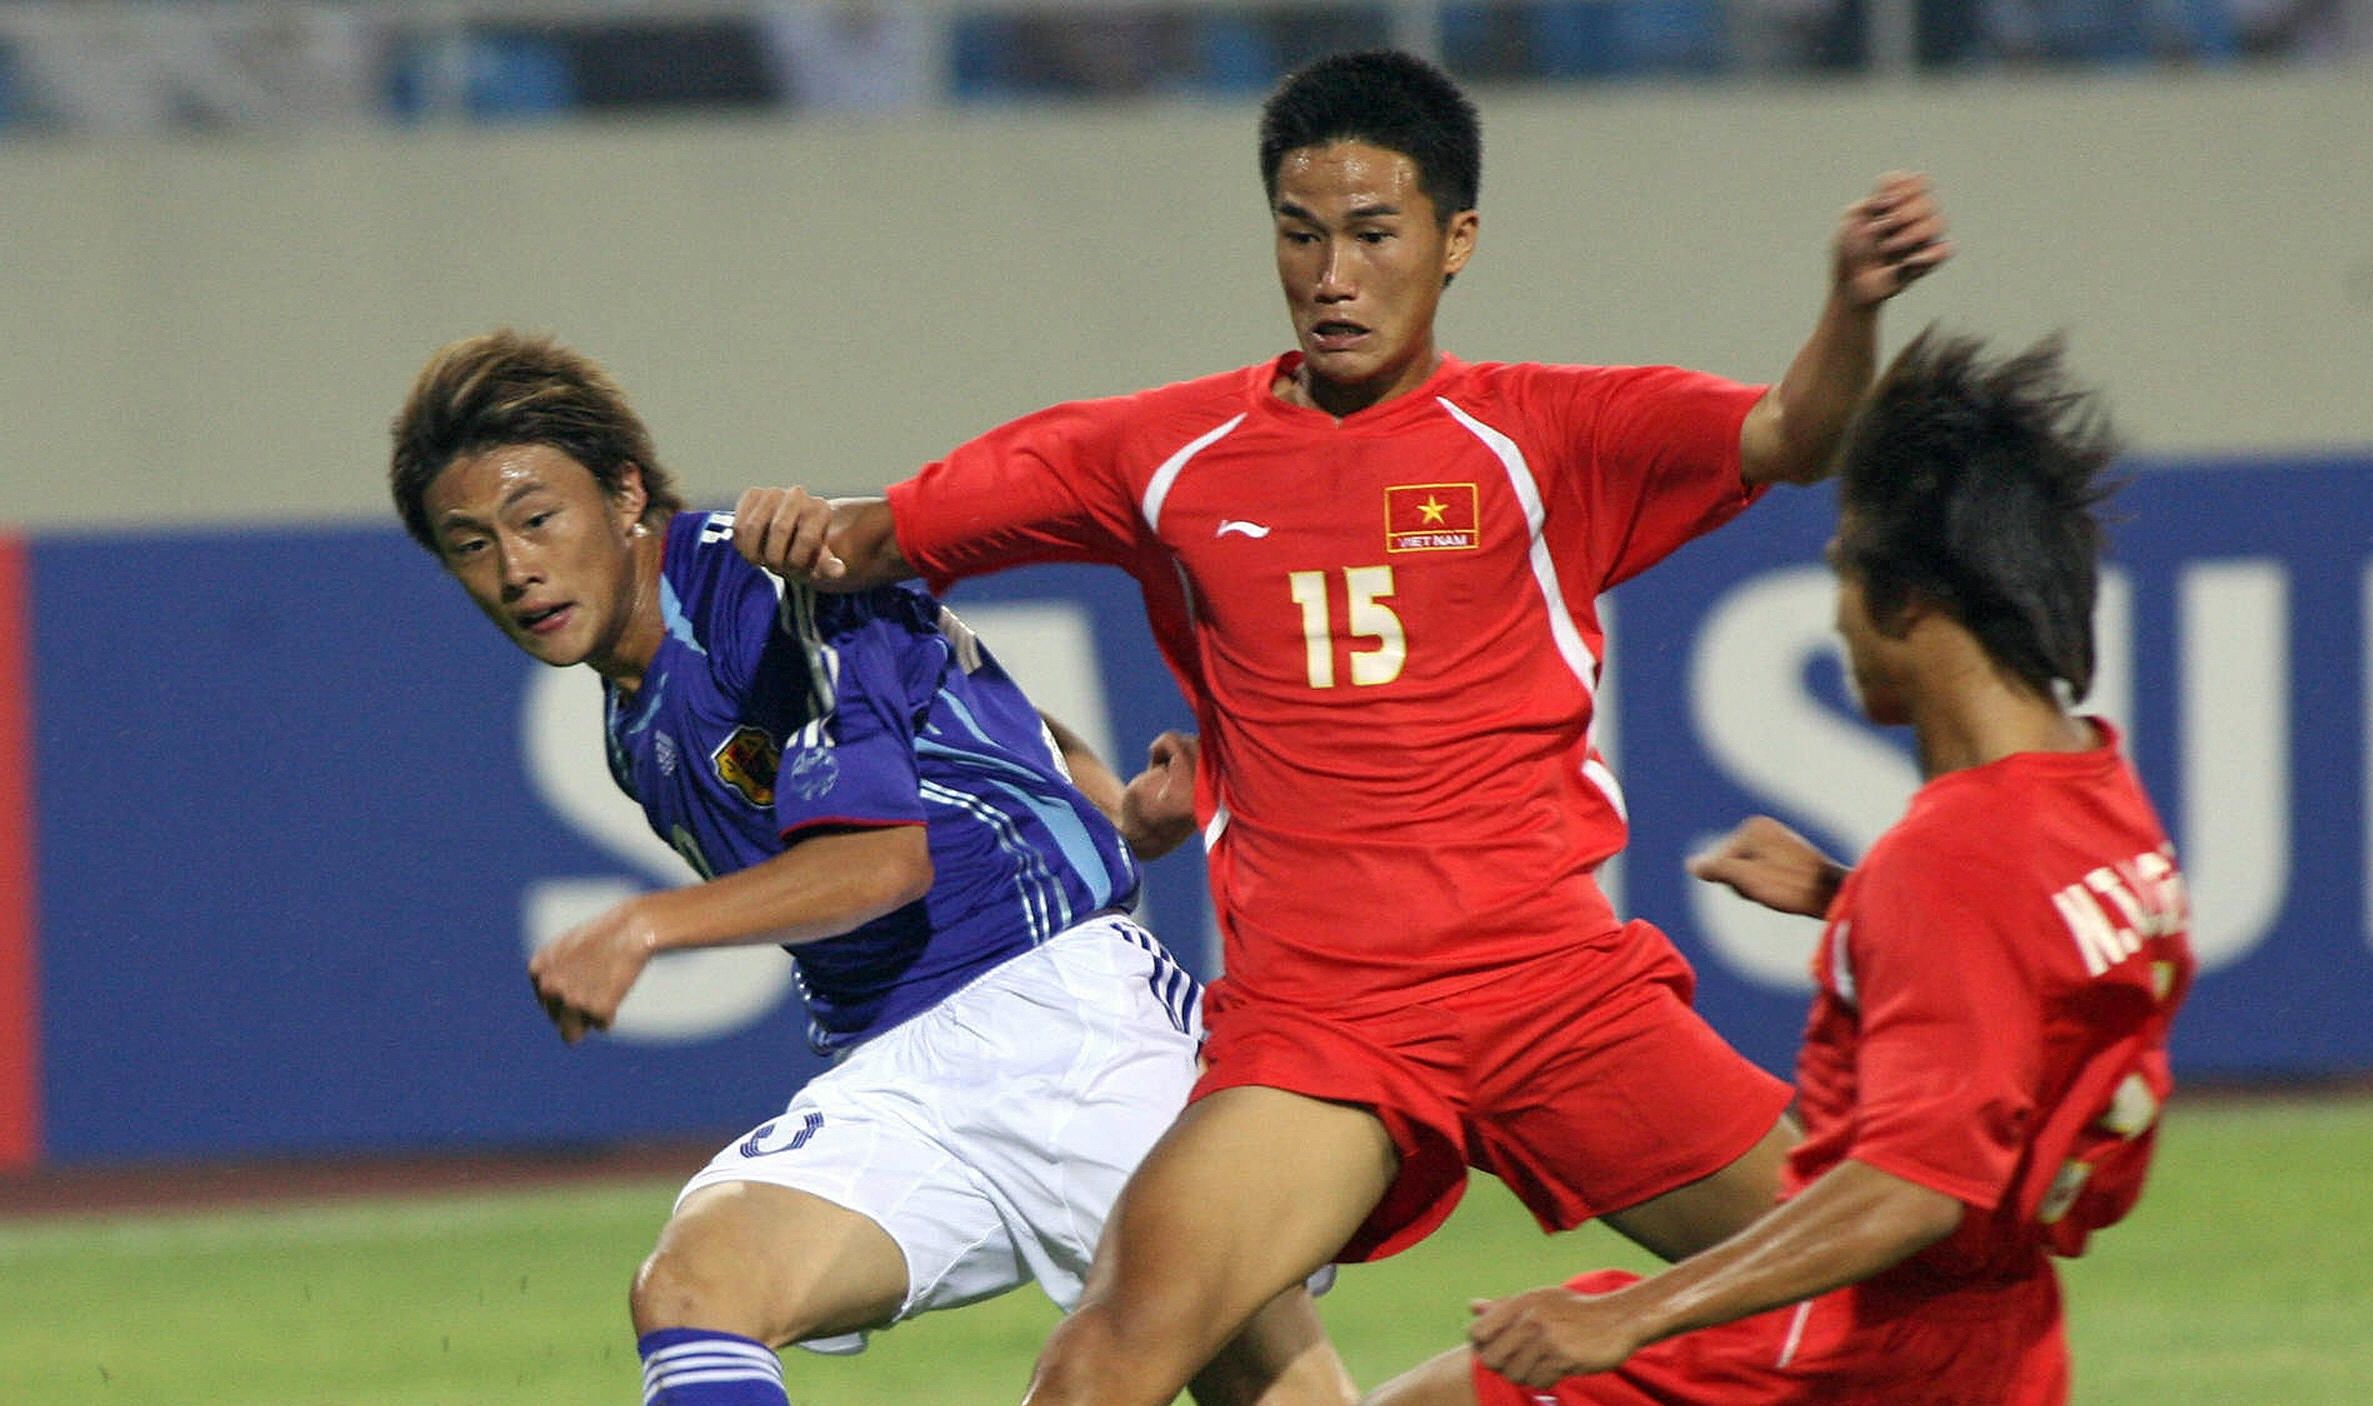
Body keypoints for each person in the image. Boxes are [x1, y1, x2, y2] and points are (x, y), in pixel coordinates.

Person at [730, 48, 1952, 1406]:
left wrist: (1850, 307)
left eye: (1373, 235)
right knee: (1107, 1362)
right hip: (1325, 1028)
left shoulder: (1550, 436)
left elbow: (1797, 432)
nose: (1332, 273)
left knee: (1899, 1290)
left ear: (1456, 240)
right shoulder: (1167, 457)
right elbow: (878, 534)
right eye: (1301, 235)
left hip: (1554, 993)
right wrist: (799, 532)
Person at [386, 331, 1349, 1406]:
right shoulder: (631, 718)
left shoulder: (772, 574)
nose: (515, 568)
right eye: (469, 544)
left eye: (536, 517)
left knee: (1232, 1386)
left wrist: (646, 924)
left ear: (621, 494)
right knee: (695, 1284)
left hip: (1071, 1025)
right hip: (892, 1063)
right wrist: (1113, 807)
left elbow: (885, 862)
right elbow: (974, 692)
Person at [1370, 329, 2195, 1406]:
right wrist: (1848, 900)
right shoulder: (2098, 792)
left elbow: (1911, 1188)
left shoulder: (1950, 861)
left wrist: (1627, 1313)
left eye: (1844, 571)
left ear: (1908, 600)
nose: (1838, 616)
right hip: (2011, 1342)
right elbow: (2042, 984)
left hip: (1862, 1347)